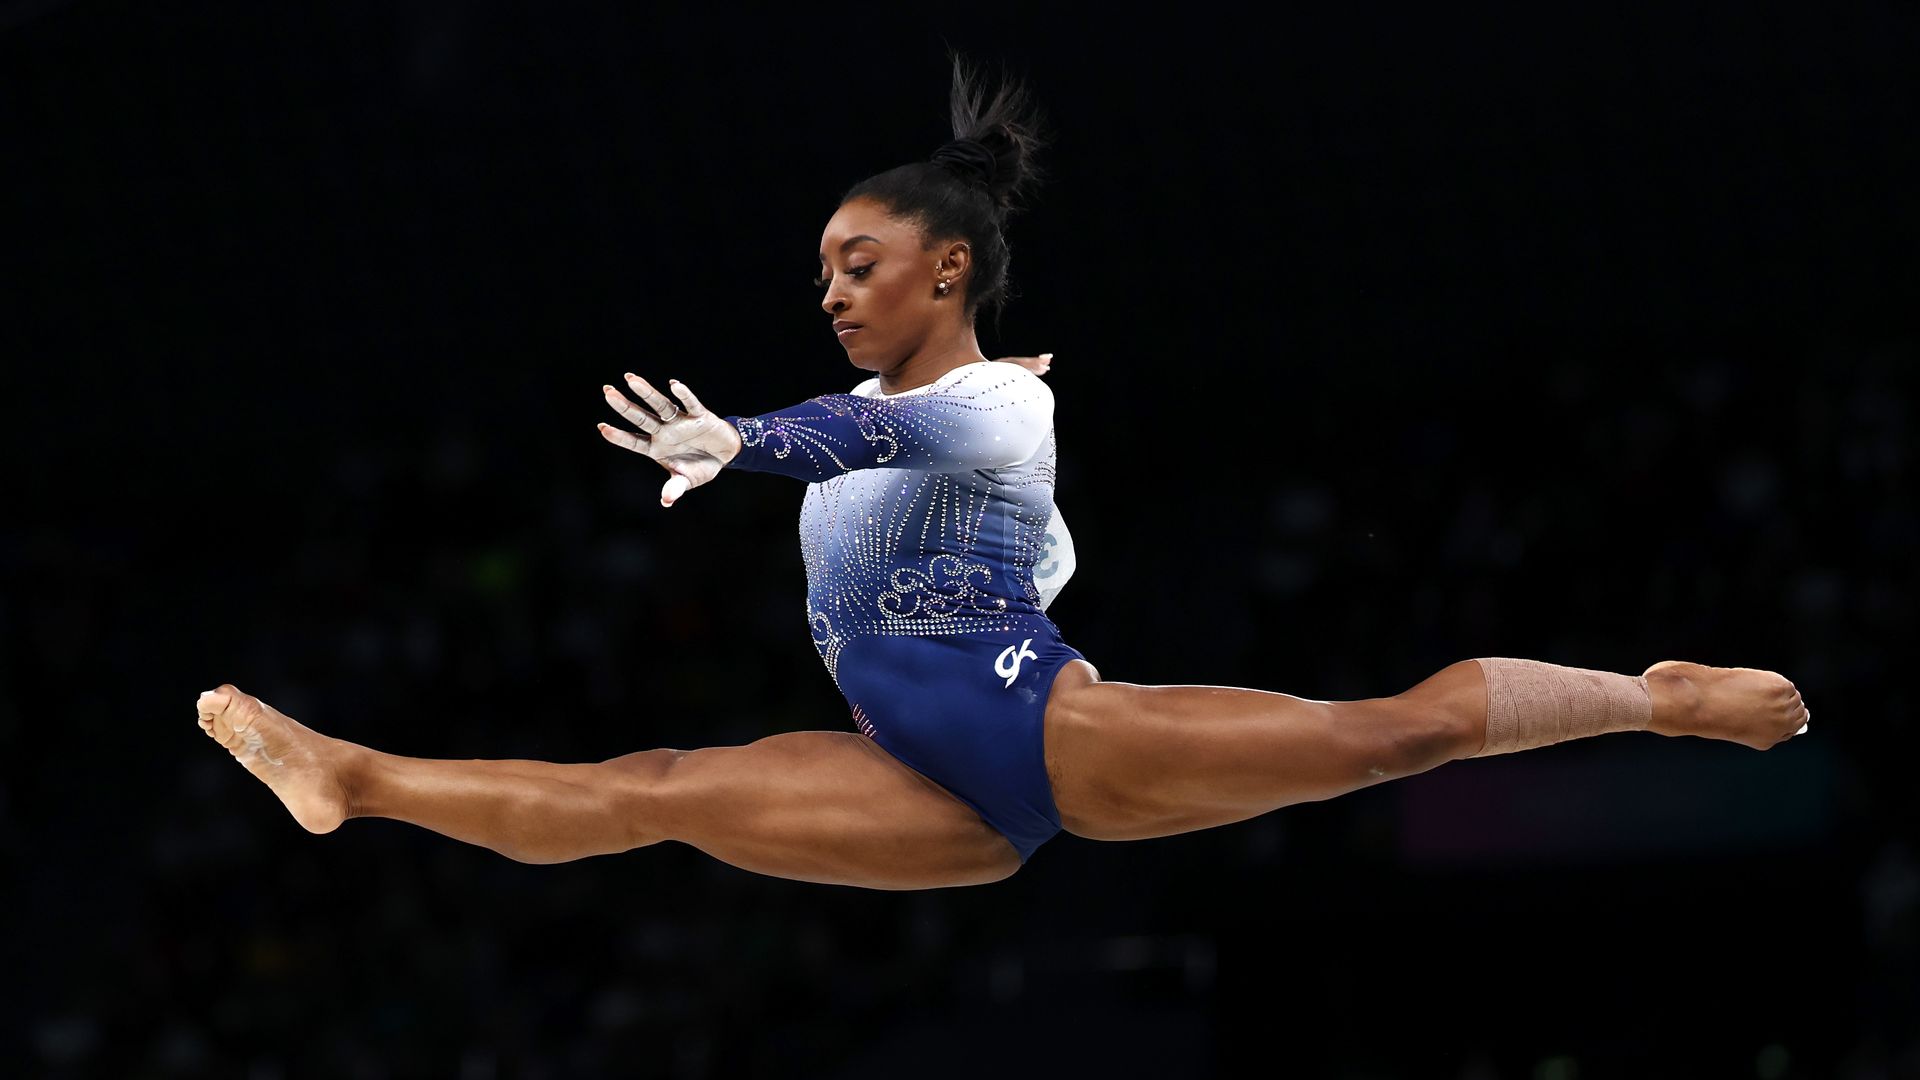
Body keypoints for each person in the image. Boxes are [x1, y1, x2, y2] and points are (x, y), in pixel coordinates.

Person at [196, 55, 1810, 891]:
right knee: (654, 800)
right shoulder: (955, 420)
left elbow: (873, 432)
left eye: (858, 263)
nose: (829, 292)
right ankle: (354, 780)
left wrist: (744, 439)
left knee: (1389, 739)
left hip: (1048, 728)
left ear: (948, 270)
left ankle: (1651, 696)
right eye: (819, 268)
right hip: (930, 784)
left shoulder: (997, 410)